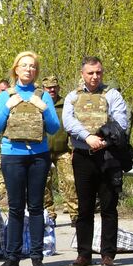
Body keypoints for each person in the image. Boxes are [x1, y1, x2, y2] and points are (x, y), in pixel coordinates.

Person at [0, 52, 62, 266]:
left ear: (36, 71)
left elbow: (54, 128)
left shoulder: (42, 95)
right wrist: (8, 105)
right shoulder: (6, 95)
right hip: (13, 156)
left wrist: (44, 107)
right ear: (16, 70)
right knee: (16, 208)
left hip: (38, 157)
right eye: (24, 66)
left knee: (37, 207)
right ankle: (12, 257)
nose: (28, 69)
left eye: (32, 66)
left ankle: (37, 257)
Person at [63, 57, 132, 266]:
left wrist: (102, 138)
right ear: (82, 74)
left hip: (108, 156)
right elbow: (68, 121)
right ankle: (84, 254)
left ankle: (107, 254)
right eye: (90, 73)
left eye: (98, 73)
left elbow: (120, 122)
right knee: (84, 208)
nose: (95, 77)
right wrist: (87, 137)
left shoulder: (112, 95)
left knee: (109, 207)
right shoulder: (73, 96)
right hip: (83, 156)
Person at [40, 75, 77, 224]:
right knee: (44, 183)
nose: (52, 90)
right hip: (43, 150)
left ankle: (75, 214)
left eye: (54, 87)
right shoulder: (39, 104)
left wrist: (74, 148)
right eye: (49, 88)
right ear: (43, 89)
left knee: (71, 181)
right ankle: (49, 214)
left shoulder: (66, 104)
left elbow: (73, 126)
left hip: (63, 150)